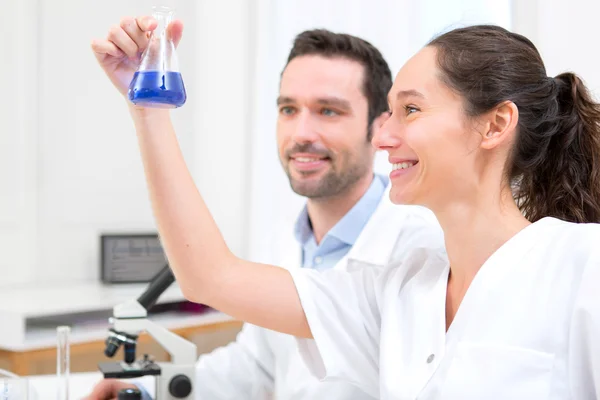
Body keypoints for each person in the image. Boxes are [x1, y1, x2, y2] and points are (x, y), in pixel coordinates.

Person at [93, 14, 600, 398]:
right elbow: (210, 278)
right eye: (288, 108)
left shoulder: (582, 268)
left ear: (494, 125)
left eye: (411, 110)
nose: (384, 136)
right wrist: (148, 109)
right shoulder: (397, 291)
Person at [86, 22, 442, 400]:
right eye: (288, 109)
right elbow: (255, 365)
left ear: (381, 127)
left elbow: (208, 277)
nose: (302, 132)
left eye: (328, 111)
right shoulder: (287, 240)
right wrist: (145, 390)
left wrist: (148, 111)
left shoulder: (421, 251)